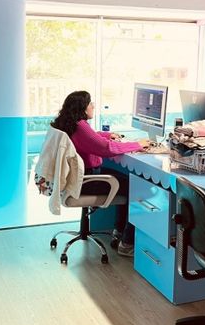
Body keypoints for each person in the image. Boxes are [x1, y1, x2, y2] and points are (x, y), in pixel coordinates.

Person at [51, 91, 150, 257]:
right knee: (135, 188)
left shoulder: (68, 123)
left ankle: (119, 232)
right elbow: (106, 148)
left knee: (126, 182)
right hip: (87, 180)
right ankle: (127, 243)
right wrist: (137, 145)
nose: (93, 106)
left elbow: (90, 138)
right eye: (90, 103)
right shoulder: (80, 126)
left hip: (77, 178)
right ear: (82, 108)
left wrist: (107, 135)